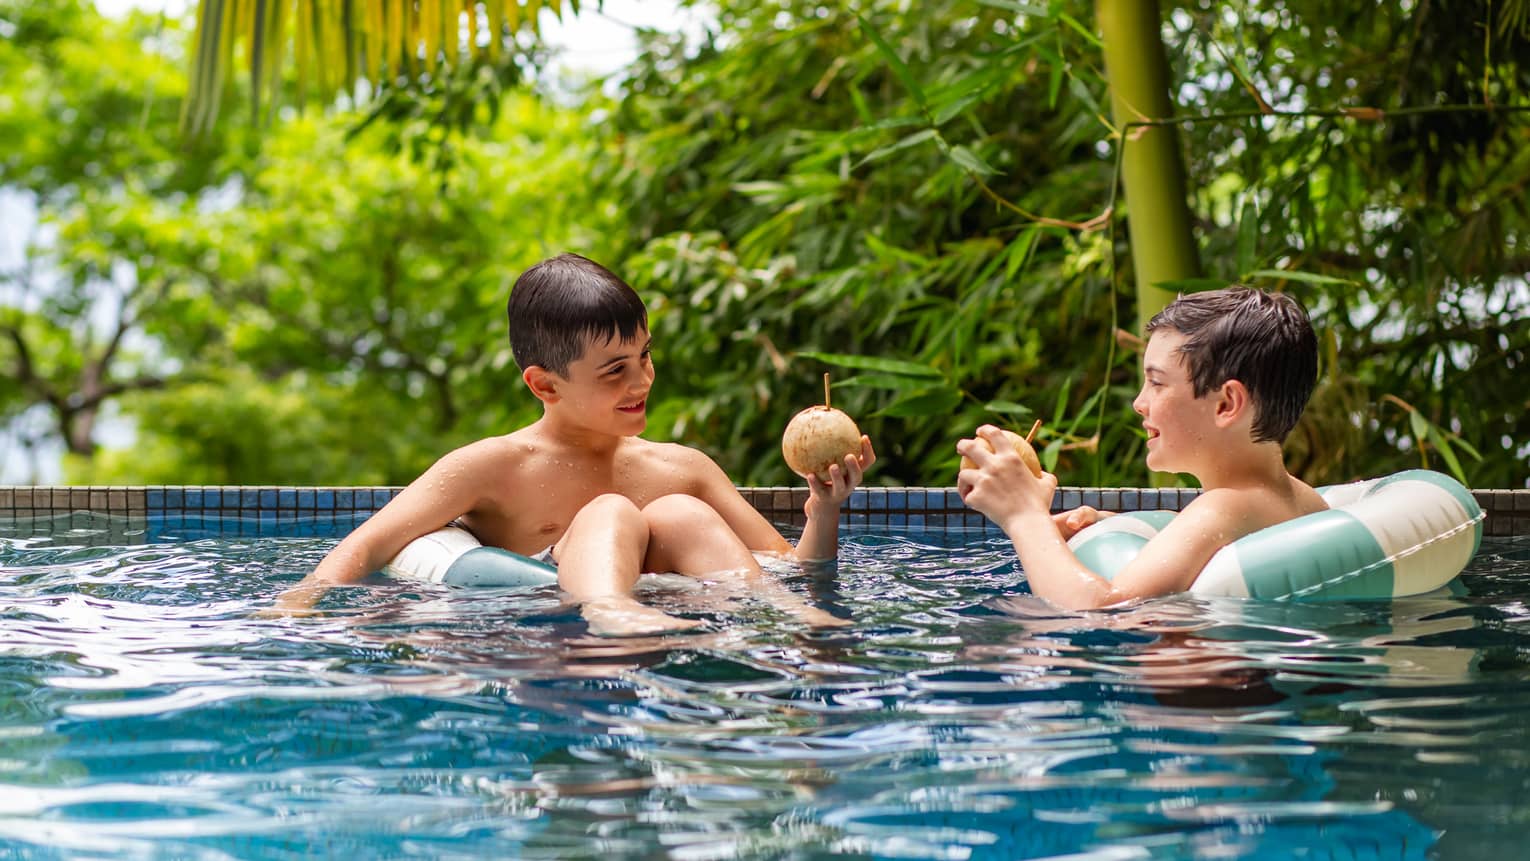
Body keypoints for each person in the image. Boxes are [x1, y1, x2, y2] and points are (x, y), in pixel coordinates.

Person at [277, 253, 875, 635]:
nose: (642, 381)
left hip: (678, 636)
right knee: (612, 510)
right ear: (544, 383)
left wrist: (824, 508)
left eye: (645, 356)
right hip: (558, 646)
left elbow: (791, 569)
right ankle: (609, 608)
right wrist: (290, 615)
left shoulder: (682, 469)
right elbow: (364, 548)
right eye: (614, 370)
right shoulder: (495, 465)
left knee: (679, 513)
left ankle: (793, 633)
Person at [956, 285, 1325, 610]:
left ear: (1226, 405)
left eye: (1157, 383)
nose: (1138, 402)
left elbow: (1103, 610)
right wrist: (1111, 525)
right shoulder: (1302, 501)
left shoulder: (1224, 508)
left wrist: (1024, 516)